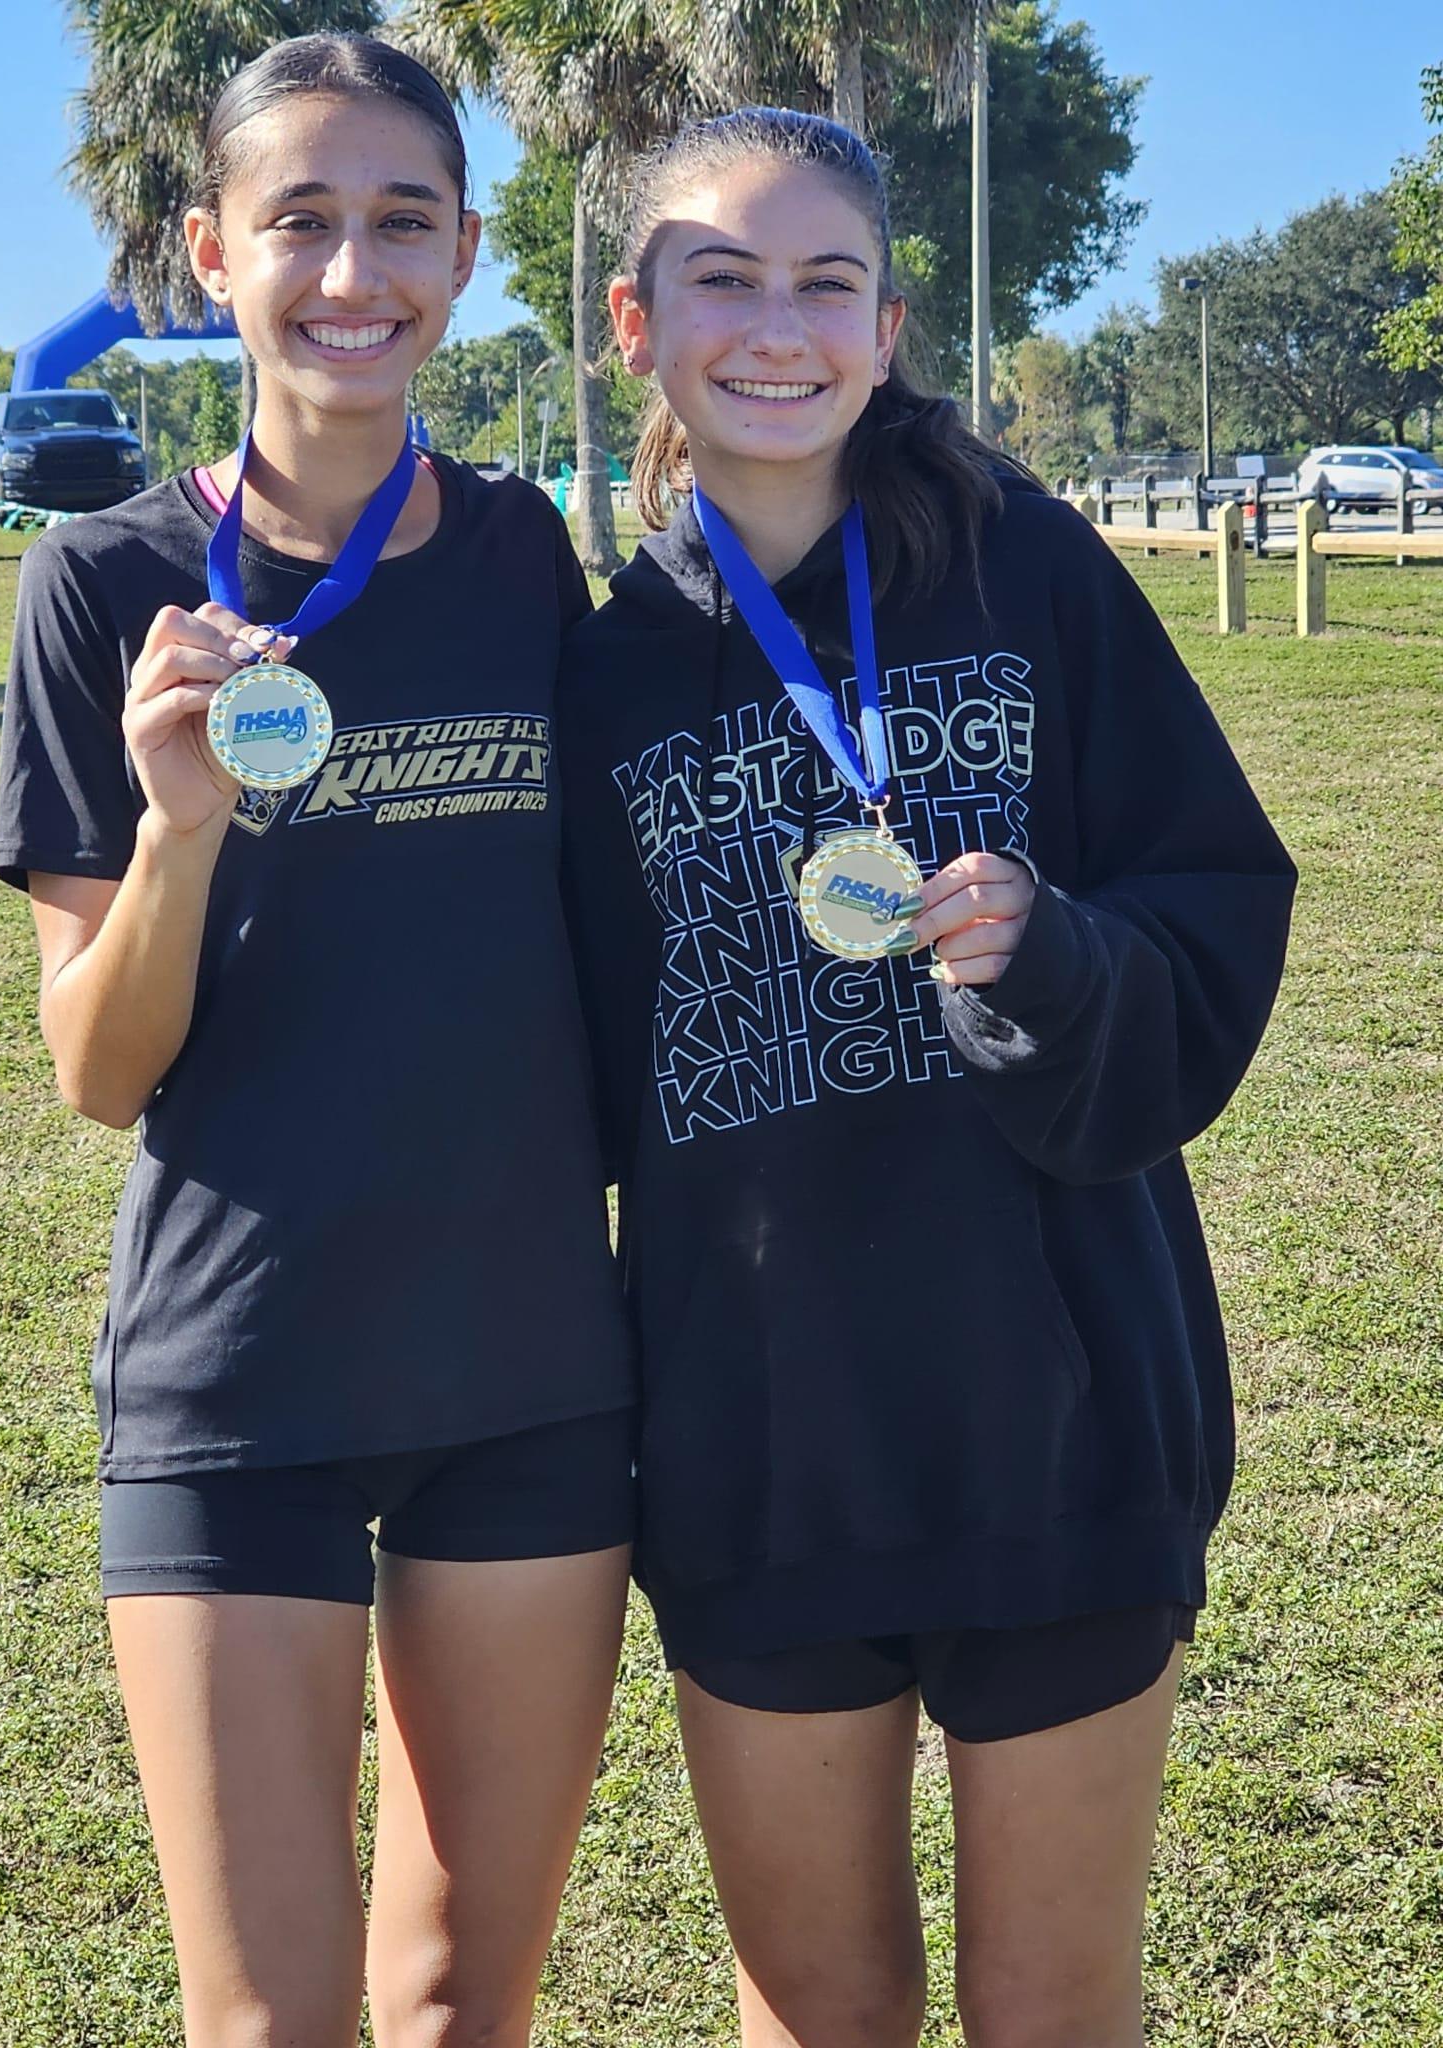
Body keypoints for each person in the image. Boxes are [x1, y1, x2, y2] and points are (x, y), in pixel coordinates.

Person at [559, 107, 1296, 2048]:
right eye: (723, 277)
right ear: (639, 324)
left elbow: (1219, 902)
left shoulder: (1034, 574)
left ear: (889, 328)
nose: (777, 326)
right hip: (763, 1445)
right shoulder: (609, 672)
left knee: (1054, 2007)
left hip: (1060, 1414)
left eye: (828, 282)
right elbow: (563, 1062)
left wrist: (1052, 953)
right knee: (818, 2010)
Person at [0, 34, 633, 2048]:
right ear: (208, 253)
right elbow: (99, 1067)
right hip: (236, 1374)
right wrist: (180, 830)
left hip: (526, 1370)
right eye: (303, 220)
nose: (354, 272)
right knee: (274, 2024)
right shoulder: (100, 585)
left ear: (460, 263)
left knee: (462, 2005)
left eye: (404, 223)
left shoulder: (530, 554)